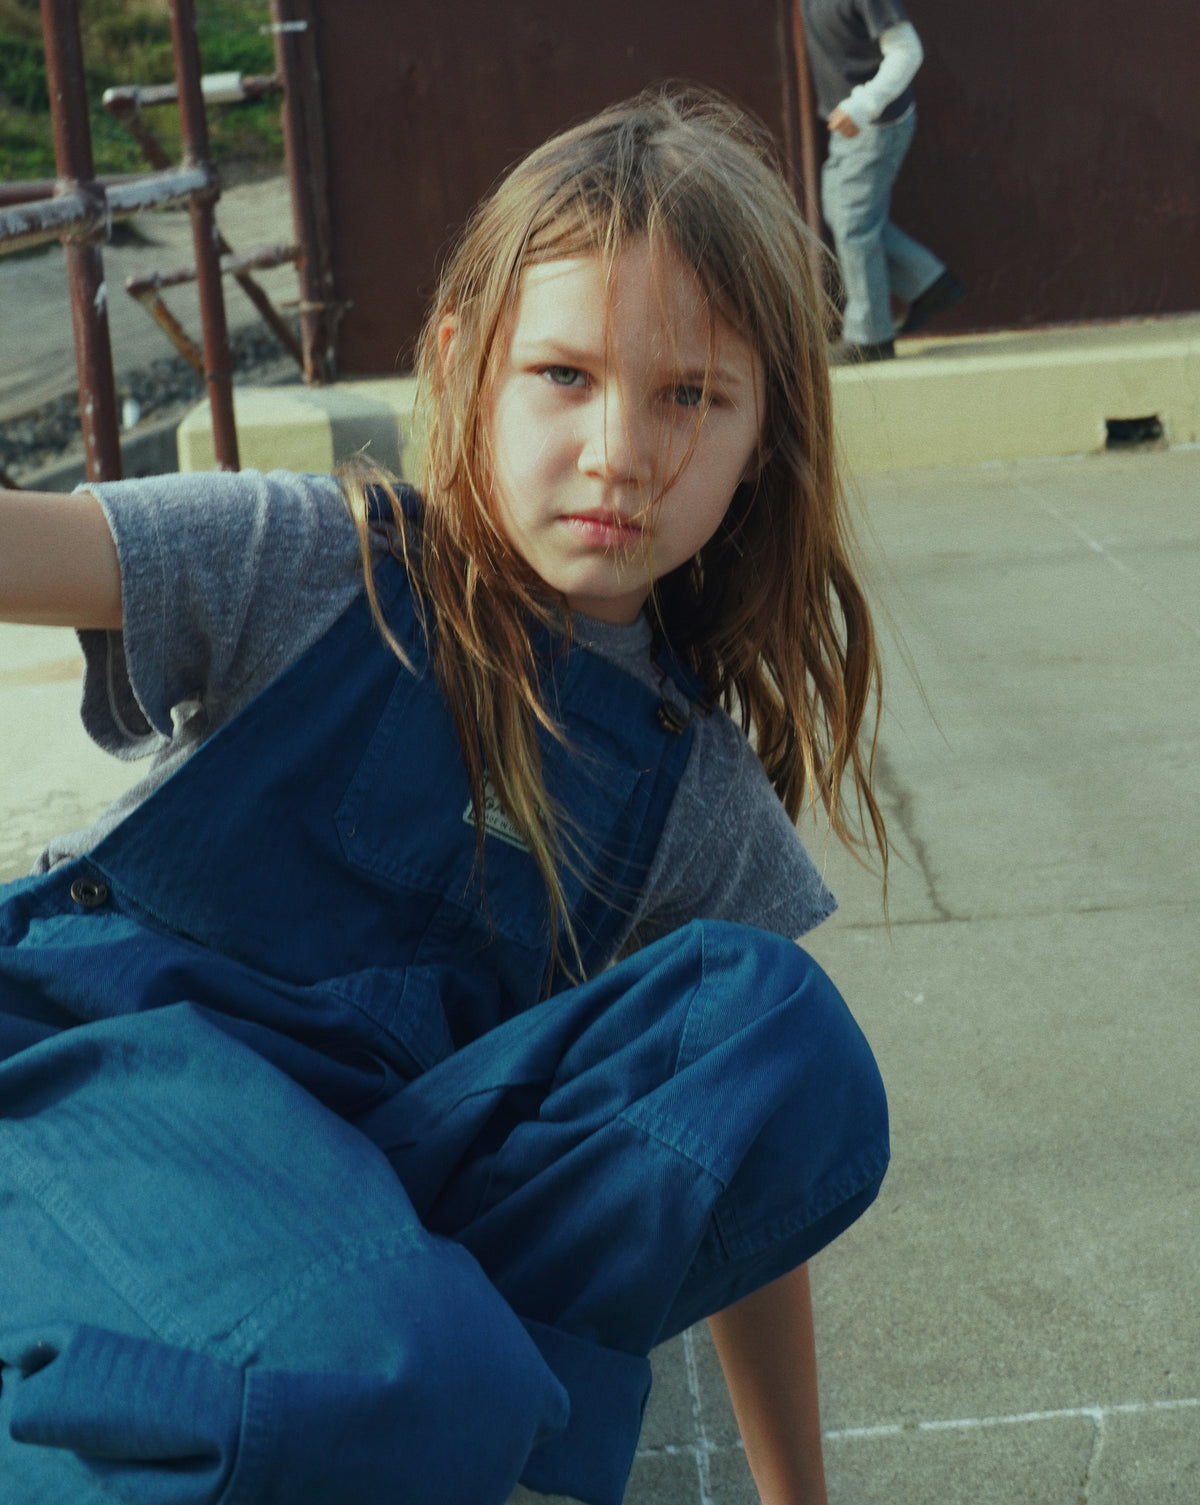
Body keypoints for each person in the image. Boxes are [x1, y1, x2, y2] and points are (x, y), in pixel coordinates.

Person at [0, 89, 890, 1505]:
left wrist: (800, 1497)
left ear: (761, 431)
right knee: (408, 1367)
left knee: (787, 1039)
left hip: (359, 1177)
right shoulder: (314, 560)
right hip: (109, 1085)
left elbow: (735, 1169)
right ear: (467, 361)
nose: (621, 451)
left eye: (690, 396)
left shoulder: (692, 791)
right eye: (564, 376)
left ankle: (384, 1405)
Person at [801, 0, 966, 361]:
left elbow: (907, 51)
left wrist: (863, 104)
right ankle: (927, 281)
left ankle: (870, 337)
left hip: (875, 122)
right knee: (843, 212)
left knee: (854, 222)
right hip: (847, 122)